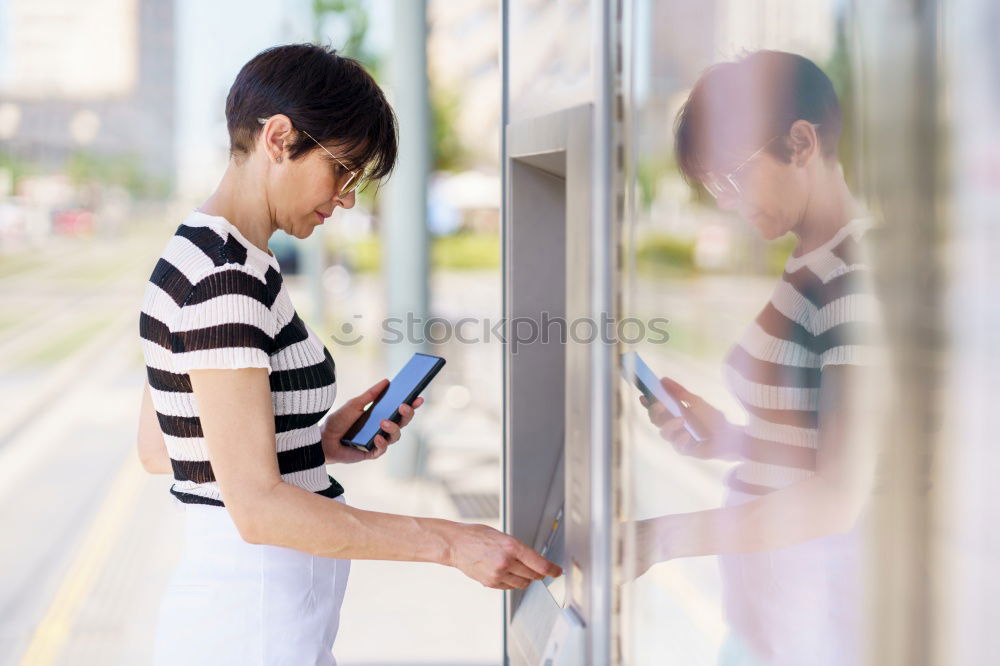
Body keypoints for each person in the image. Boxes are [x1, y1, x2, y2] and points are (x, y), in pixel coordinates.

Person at [136, 43, 560, 666]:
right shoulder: (224, 281)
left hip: (253, 620)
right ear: (278, 139)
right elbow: (254, 508)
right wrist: (450, 543)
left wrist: (314, 440)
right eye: (342, 169)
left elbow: (165, 445)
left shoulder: (201, 255)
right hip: (250, 629)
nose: (347, 198)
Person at [631, 50, 884, 666]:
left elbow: (841, 494)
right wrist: (733, 441)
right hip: (772, 625)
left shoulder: (854, 277)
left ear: (801, 143)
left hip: (821, 632)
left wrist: (659, 538)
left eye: (731, 177)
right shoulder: (811, 259)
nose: (724, 202)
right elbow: (826, 447)